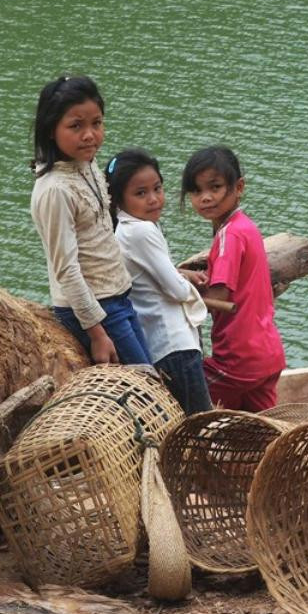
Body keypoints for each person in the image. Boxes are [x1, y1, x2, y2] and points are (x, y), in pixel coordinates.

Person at [28, 75, 151, 365]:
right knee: (144, 386)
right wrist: (96, 333)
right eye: (76, 126)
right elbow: (66, 270)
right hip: (97, 309)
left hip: (118, 297)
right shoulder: (55, 190)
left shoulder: (86, 163)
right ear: (50, 130)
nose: (89, 135)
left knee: (150, 375)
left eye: (96, 123)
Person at [106, 149, 214, 415]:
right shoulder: (142, 231)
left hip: (157, 345)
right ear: (119, 198)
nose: (154, 199)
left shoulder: (124, 230)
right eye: (141, 193)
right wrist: (187, 282)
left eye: (157, 188)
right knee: (198, 423)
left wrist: (180, 273)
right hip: (175, 344)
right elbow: (176, 290)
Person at [181, 146, 285, 411]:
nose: (205, 198)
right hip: (268, 354)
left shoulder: (230, 235)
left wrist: (173, 286)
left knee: (184, 385)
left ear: (238, 187)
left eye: (214, 187)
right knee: (263, 426)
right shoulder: (247, 227)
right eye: (196, 191)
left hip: (239, 359)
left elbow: (219, 298)